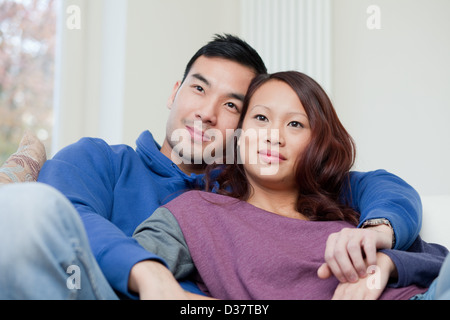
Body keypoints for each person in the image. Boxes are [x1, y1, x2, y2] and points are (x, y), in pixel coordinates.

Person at [0, 34, 423, 299]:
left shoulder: (252, 189)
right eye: (198, 88)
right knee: (23, 208)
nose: (205, 112)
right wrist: (146, 272)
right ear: (174, 92)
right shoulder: (103, 160)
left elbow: (375, 187)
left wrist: (380, 234)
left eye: (231, 105)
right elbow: (59, 219)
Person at [133, 71, 449, 300]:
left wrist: (385, 263)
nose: (274, 135)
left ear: (317, 145)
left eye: (295, 124)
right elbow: (124, 266)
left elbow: (438, 262)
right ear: (239, 133)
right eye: (260, 118)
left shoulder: (350, 210)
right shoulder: (196, 214)